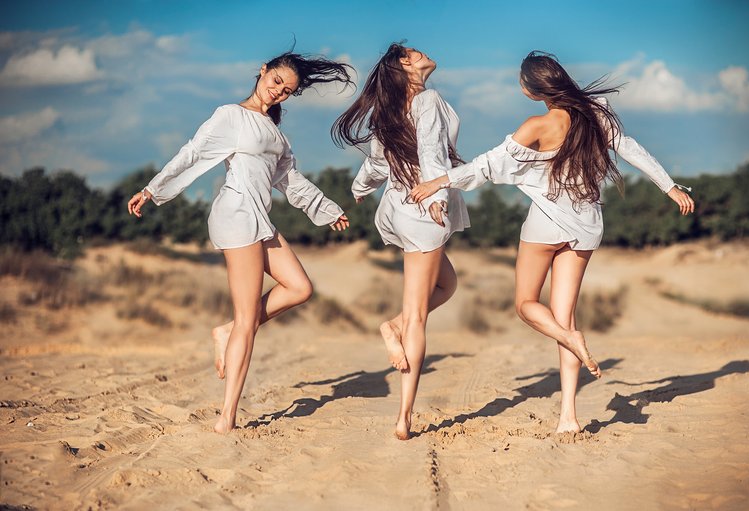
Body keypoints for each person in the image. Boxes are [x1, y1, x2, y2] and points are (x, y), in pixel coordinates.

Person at [409, 51, 694, 434]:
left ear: (531, 90)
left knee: (527, 305)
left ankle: (569, 338)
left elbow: (486, 166)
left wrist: (437, 181)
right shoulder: (596, 113)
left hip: (545, 225)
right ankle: (569, 417)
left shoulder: (537, 125)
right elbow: (629, 147)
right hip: (587, 226)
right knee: (566, 313)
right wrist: (669, 185)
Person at [127, 52, 354, 434]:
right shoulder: (230, 115)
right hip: (235, 214)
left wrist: (327, 210)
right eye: (277, 80)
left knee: (300, 287)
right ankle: (227, 417)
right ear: (264, 70)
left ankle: (226, 330)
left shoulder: (277, 133)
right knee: (249, 322)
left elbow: (291, 182)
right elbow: (193, 153)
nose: (279, 90)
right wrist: (153, 189)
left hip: (259, 219)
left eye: (288, 89)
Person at [332, 43, 470, 440]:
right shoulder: (427, 100)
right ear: (405, 65)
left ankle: (393, 325)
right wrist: (438, 197)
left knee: (447, 285)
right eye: (416, 51)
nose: (426, 52)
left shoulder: (391, 110)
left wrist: (360, 187)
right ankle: (404, 417)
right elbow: (430, 152)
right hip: (423, 207)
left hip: (402, 206)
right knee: (418, 318)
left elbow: (377, 161)